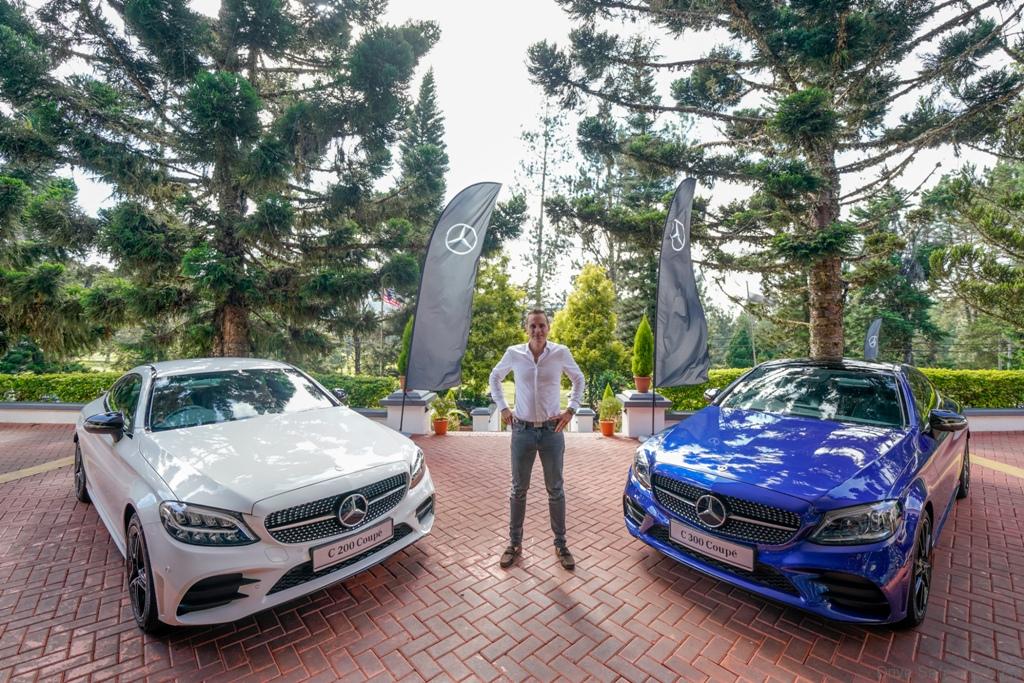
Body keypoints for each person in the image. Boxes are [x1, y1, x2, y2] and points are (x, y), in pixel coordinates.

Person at [488, 309, 585, 570]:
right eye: (532, 326)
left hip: (552, 432)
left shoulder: (560, 353)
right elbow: (495, 377)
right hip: (522, 431)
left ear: (548, 328)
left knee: (556, 490)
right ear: (526, 328)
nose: (537, 330)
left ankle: (561, 545)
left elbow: (579, 379)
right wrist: (503, 408)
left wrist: (571, 409)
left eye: (541, 325)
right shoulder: (514, 353)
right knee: (518, 489)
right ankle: (514, 544)